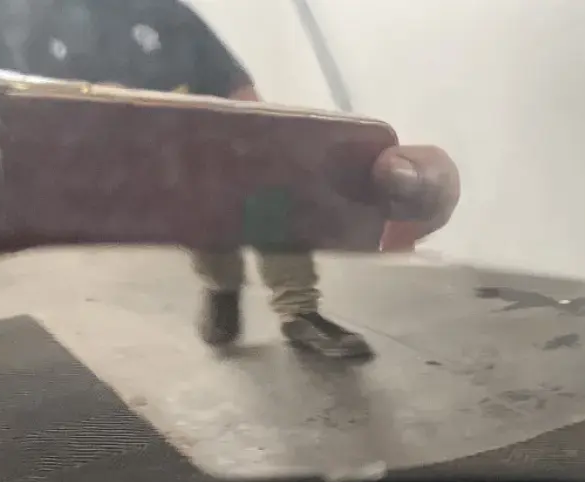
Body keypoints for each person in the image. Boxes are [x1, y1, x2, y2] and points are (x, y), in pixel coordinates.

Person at [0, 0, 460, 331]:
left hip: (192, 188)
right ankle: (226, 299)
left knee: (232, 237)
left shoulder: (158, 8)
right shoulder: (0, 18)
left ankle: (268, 307)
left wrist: (281, 165)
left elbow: (240, 96)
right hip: (63, 238)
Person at [21, 0, 406, 359]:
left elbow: (228, 75)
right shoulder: (43, 23)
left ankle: (300, 312)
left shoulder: (164, 10)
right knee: (201, 218)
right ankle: (222, 286)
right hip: (130, 147)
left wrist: (262, 130)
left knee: (272, 194)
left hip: (206, 127)